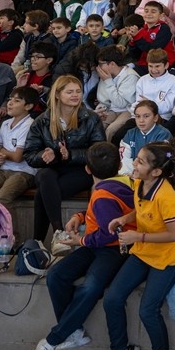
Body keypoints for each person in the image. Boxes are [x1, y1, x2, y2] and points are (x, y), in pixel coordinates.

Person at [23, 142, 130, 350]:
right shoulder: (117, 183)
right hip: (95, 244)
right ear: (120, 164)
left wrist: (78, 241)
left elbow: (106, 233)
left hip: (113, 249)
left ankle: (52, 340)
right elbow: (101, 215)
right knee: (56, 276)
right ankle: (74, 331)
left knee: (90, 287)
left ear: (87, 169)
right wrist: (81, 217)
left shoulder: (104, 193)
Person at [101, 142, 175, 350]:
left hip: (166, 256)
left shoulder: (167, 196)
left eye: (140, 161)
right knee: (112, 299)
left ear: (157, 171)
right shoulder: (140, 183)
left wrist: (137, 237)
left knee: (148, 311)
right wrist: (125, 219)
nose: (135, 164)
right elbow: (140, 211)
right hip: (143, 252)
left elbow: (174, 234)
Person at [24, 75, 106, 245]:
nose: (75, 95)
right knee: (45, 176)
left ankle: (38, 242)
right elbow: (30, 154)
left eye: (78, 91)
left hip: (80, 170)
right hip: (51, 170)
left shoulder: (90, 118)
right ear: (57, 95)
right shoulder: (42, 121)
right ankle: (59, 232)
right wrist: (45, 156)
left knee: (43, 192)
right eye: (70, 92)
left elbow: (99, 151)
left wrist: (70, 155)